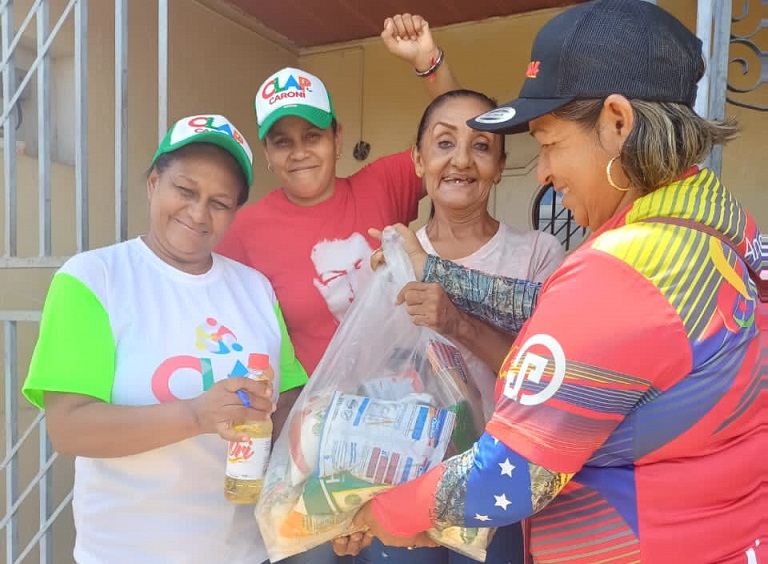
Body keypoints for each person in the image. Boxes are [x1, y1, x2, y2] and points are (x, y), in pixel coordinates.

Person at [333, 1, 768, 562]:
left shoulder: (621, 272)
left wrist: (383, 513)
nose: (540, 172)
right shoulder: (725, 222)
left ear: (617, 123)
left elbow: (509, 477)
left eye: (549, 142)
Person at [217, 16, 459, 564]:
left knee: (407, 556)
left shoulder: (383, 185)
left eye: (312, 136)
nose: (299, 152)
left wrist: (428, 61)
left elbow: (457, 137)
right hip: (306, 442)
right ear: (267, 153)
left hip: (398, 431)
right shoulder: (245, 232)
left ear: (337, 137)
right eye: (282, 142)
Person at [22, 114, 308, 564]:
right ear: (154, 182)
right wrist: (197, 414)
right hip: (127, 552)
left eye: (220, 202)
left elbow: (288, 399)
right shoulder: (93, 279)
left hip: (246, 552)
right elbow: (69, 428)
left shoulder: (255, 288)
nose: (198, 213)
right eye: (185, 190)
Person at [359, 90, 564, 564]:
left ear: (500, 164)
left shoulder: (537, 254)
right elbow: (371, 387)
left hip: (501, 484)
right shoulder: (390, 258)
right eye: (444, 143)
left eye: (481, 146)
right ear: (418, 160)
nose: (461, 162)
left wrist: (455, 322)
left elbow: (543, 383)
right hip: (406, 480)